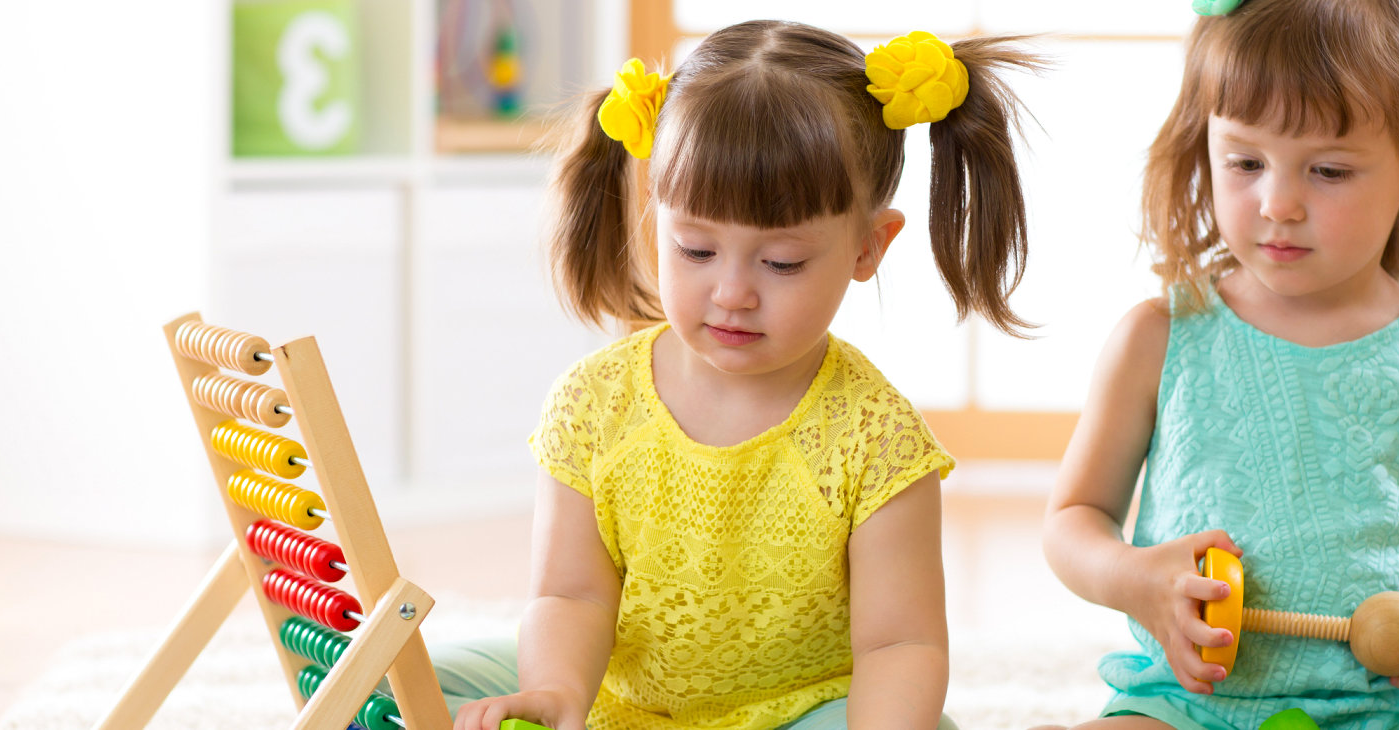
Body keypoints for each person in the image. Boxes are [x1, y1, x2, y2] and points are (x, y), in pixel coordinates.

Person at [440, 19, 1043, 730]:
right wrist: (558, 695)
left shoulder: (878, 441)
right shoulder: (592, 403)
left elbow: (899, 643)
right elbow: (571, 597)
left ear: (868, 245)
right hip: (617, 701)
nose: (732, 293)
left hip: (797, 714)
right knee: (419, 677)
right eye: (695, 249)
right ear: (654, 214)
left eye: (781, 262)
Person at [1039, 1, 1399, 728]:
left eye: (1329, 170)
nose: (1278, 202)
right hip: (1192, 707)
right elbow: (1072, 519)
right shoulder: (1157, 338)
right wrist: (1133, 578)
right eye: (1245, 162)